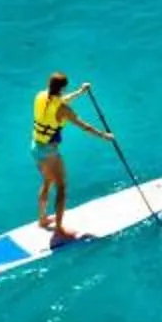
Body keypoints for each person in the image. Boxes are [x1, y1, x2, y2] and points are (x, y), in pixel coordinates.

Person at [32, 71, 117, 243]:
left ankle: (42, 220)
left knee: (47, 182)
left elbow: (58, 101)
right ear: (62, 88)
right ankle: (59, 230)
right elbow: (83, 125)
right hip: (50, 152)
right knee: (61, 187)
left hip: (35, 147)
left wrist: (80, 92)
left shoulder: (41, 96)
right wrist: (104, 135)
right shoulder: (63, 110)